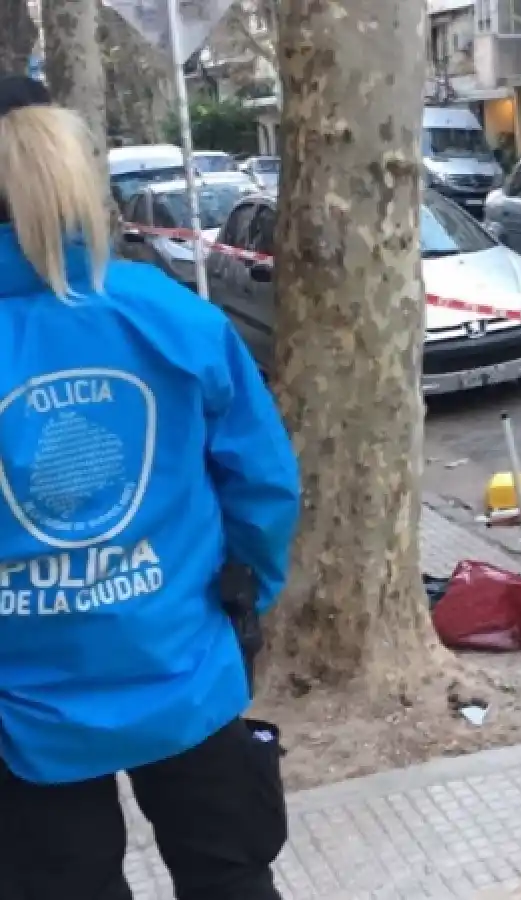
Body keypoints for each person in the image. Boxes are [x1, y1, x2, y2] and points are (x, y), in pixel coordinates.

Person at [0, 76, 301, 900]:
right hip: (181, 660)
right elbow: (263, 484)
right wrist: (246, 598)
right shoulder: (166, 313)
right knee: (230, 876)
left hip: (22, 705)